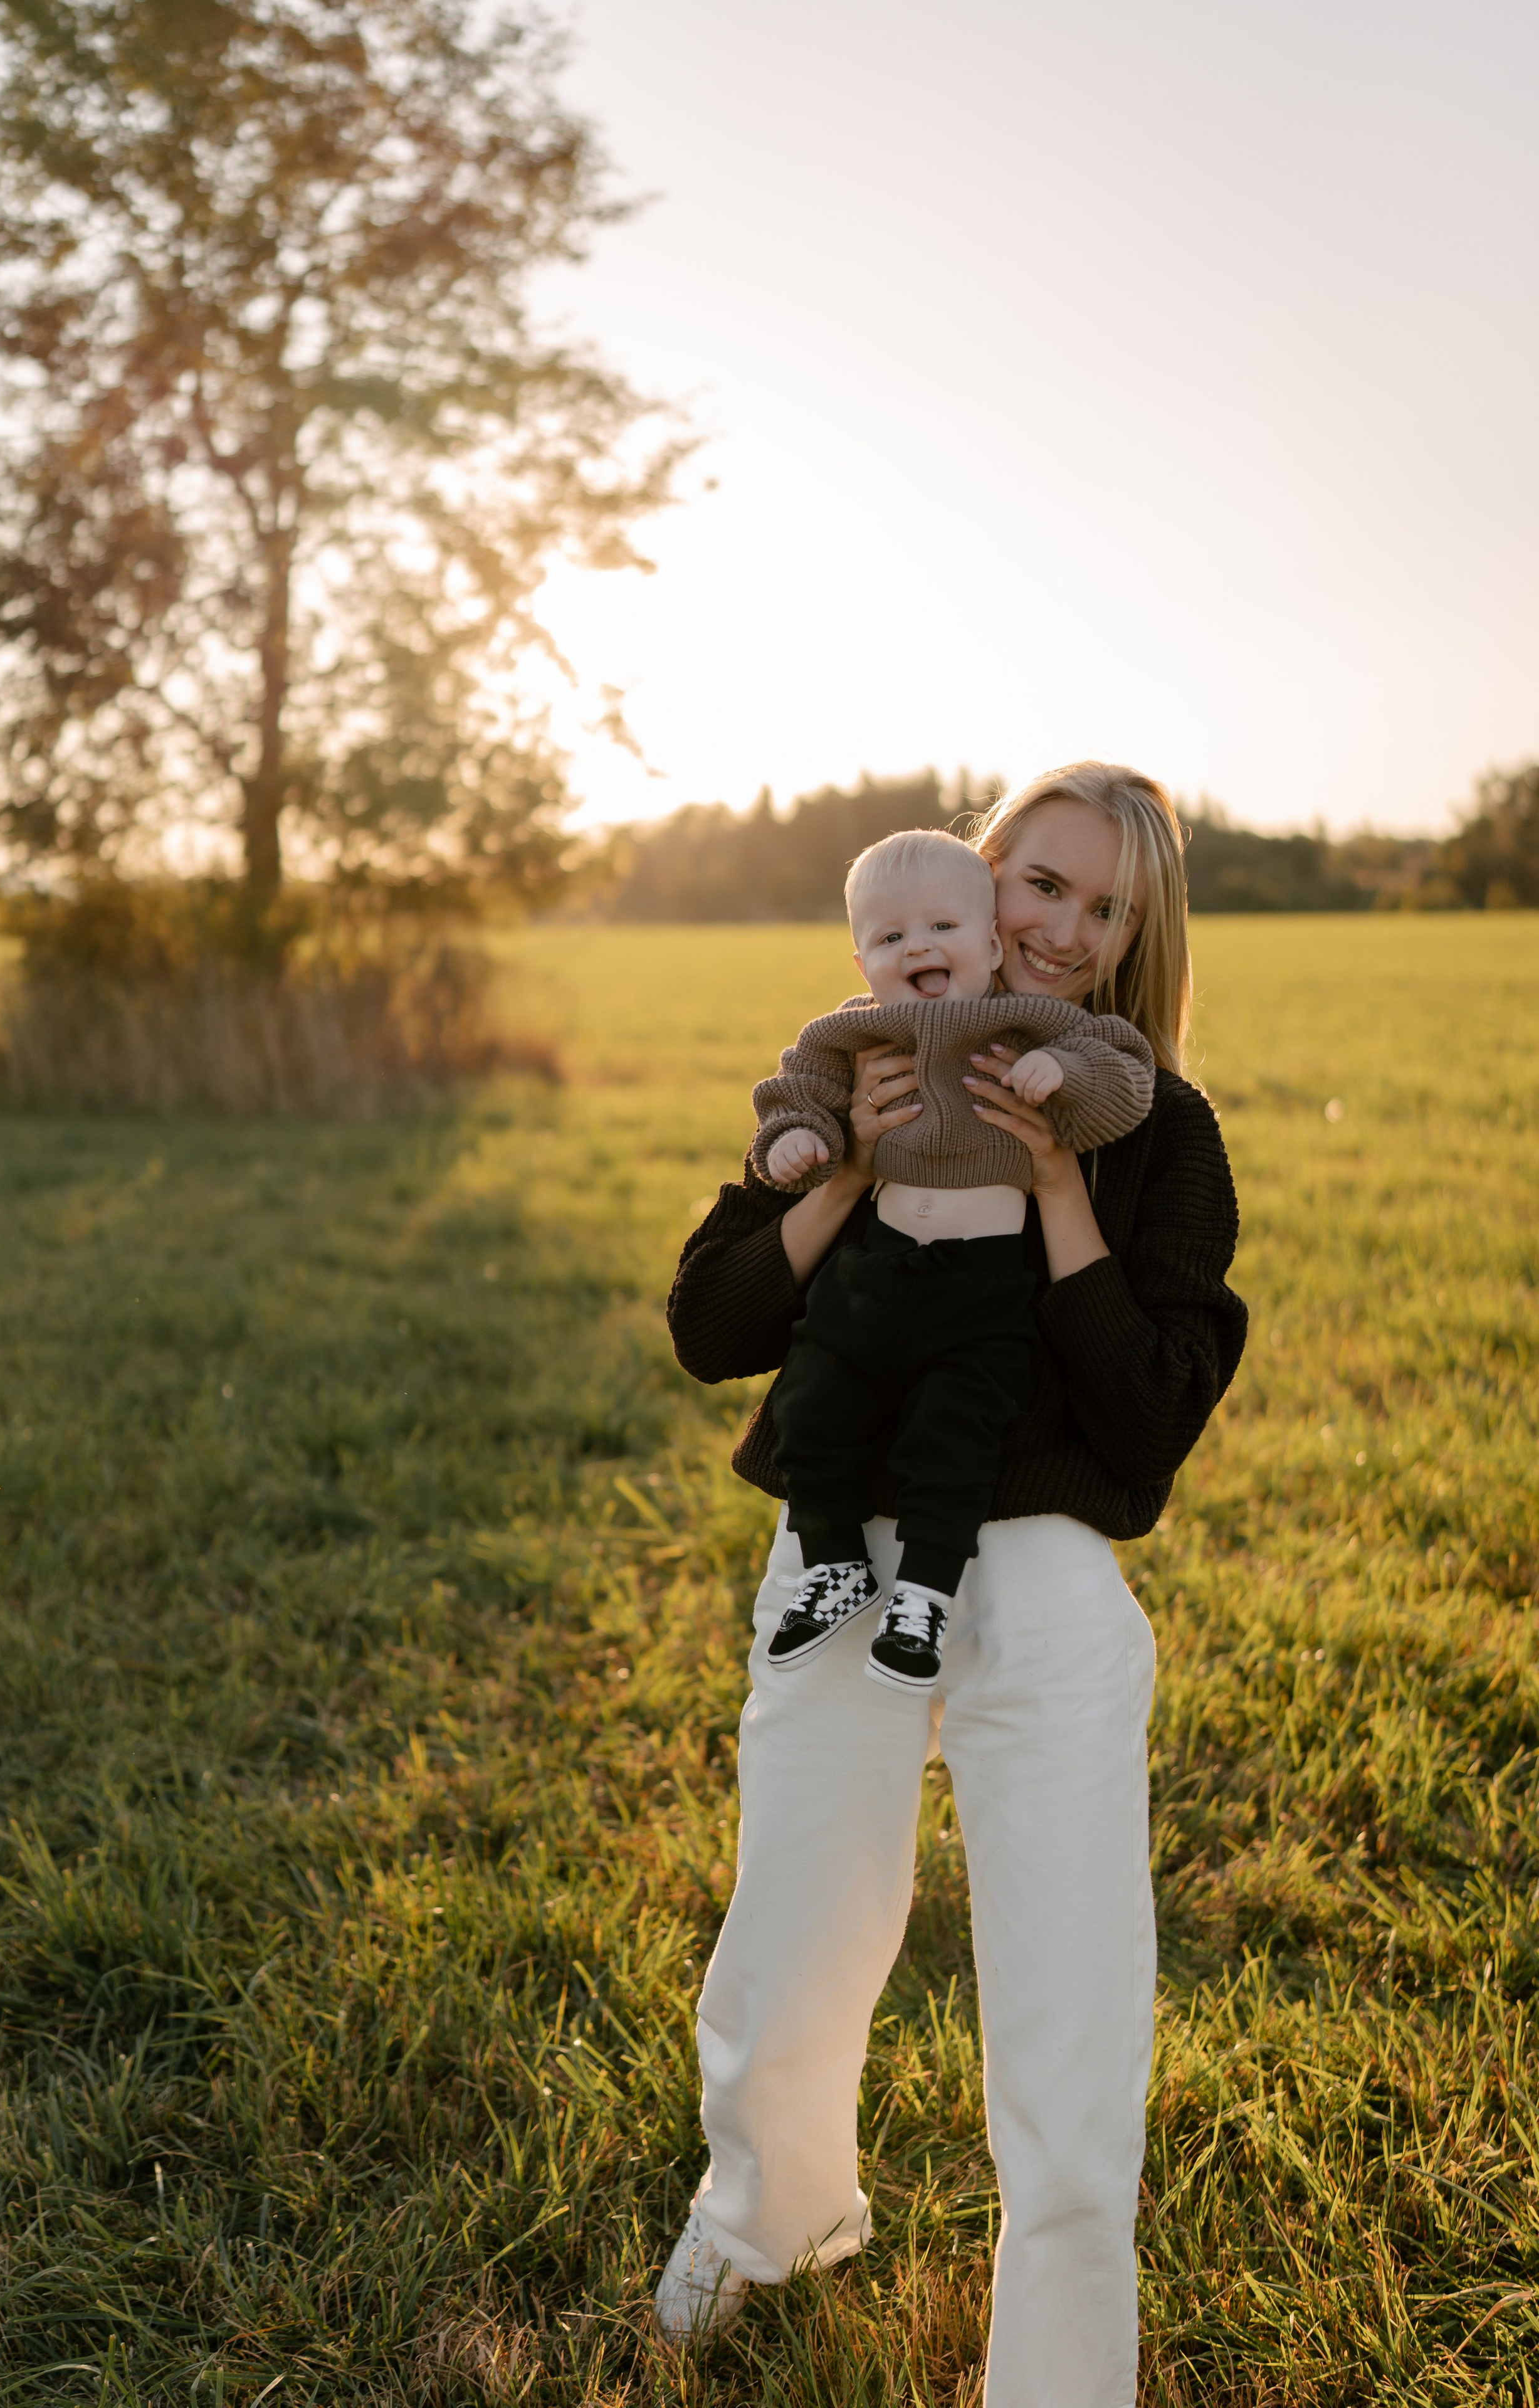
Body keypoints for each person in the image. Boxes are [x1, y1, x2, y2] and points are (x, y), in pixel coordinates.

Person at [655, 762, 1249, 2408]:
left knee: (1069, 1987)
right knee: (797, 1922)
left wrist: (1057, 1190)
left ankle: (1058, 2373)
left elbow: (1149, 1413)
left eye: (1101, 906)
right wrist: (847, 1167)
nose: (1060, 928)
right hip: (845, 1550)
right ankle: (775, 2212)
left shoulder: (1154, 1123)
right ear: (979, 883)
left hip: (1046, 1567)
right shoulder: (859, 1056)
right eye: (1038, 884)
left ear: (1138, 939)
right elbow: (711, 1327)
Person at [752, 826, 1154, 1691]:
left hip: (982, 1283)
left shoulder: (1029, 1019)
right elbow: (799, 1086)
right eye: (891, 938)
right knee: (812, 1403)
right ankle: (835, 1567)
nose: (918, 948)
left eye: (940, 928)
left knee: (955, 1429)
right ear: (862, 962)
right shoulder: (857, 1034)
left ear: (990, 944)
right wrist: (798, 1140)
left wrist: (1058, 1072)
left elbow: (1122, 1072)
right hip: (877, 1270)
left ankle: (924, 1598)